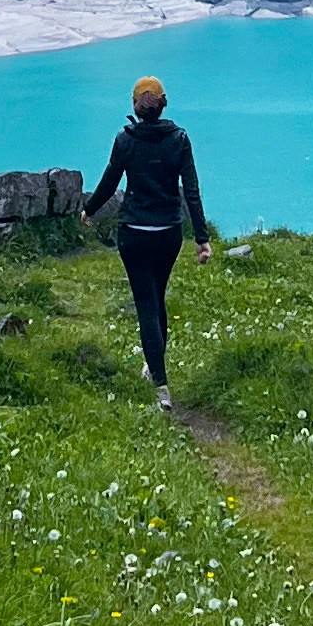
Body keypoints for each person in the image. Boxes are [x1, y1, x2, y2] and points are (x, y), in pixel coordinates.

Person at [87, 74, 211, 390]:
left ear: (134, 105)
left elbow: (110, 181)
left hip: (134, 233)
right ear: (163, 104)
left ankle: (160, 384)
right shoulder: (179, 139)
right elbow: (191, 191)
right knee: (157, 297)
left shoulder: (125, 140)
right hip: (169, 232)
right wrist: (201, 238)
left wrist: (89, 209)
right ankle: (154, 367)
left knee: (146, 303)